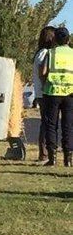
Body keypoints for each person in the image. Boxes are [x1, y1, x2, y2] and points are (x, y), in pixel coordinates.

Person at [39, 26, 73, 167]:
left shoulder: (51, 53)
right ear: (68, 39)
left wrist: (44, 83)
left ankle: (52, 157)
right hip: (70, 93)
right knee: (68, 125)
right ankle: (68, 158)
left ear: (55, 39)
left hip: (52, 92)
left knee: (51, 125)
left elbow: (43, 71)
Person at [32, 26, 57, 162]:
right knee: (47, 123)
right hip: (44, 93)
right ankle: (44, 153)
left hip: (41, 92)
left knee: (46, 123)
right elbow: (43, 73)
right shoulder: (45, 53)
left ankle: (45, 152)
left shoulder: (40, 52)